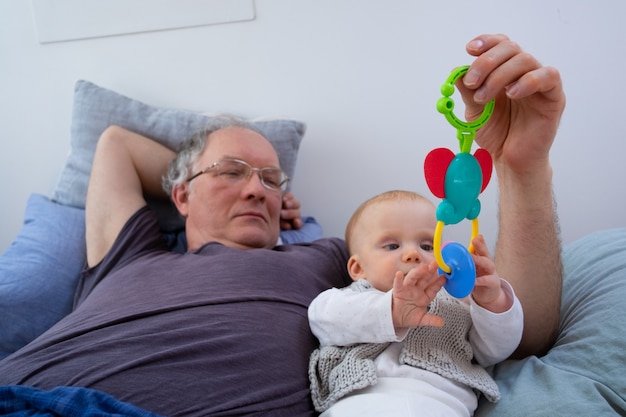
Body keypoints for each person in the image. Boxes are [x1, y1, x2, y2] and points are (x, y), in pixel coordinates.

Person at [0, 34, 565, 416]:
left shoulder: (331, 257)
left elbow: (525, 326)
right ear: (179, 193)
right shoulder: (131, 250)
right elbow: (115, 143)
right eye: (233, 173)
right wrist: (199, 182)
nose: (257, 189)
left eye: (273, 180)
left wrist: (521, 164)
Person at [308, 190, 523, 416]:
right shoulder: (349, 299)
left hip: (441, 406)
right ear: (358, 268)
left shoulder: (455, 303)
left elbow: (496, 350)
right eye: (392, 246)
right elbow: (322, 319)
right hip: (360, 403)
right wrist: (391, 311)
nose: (413, 254)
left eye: (427, 246)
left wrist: (491, 302)